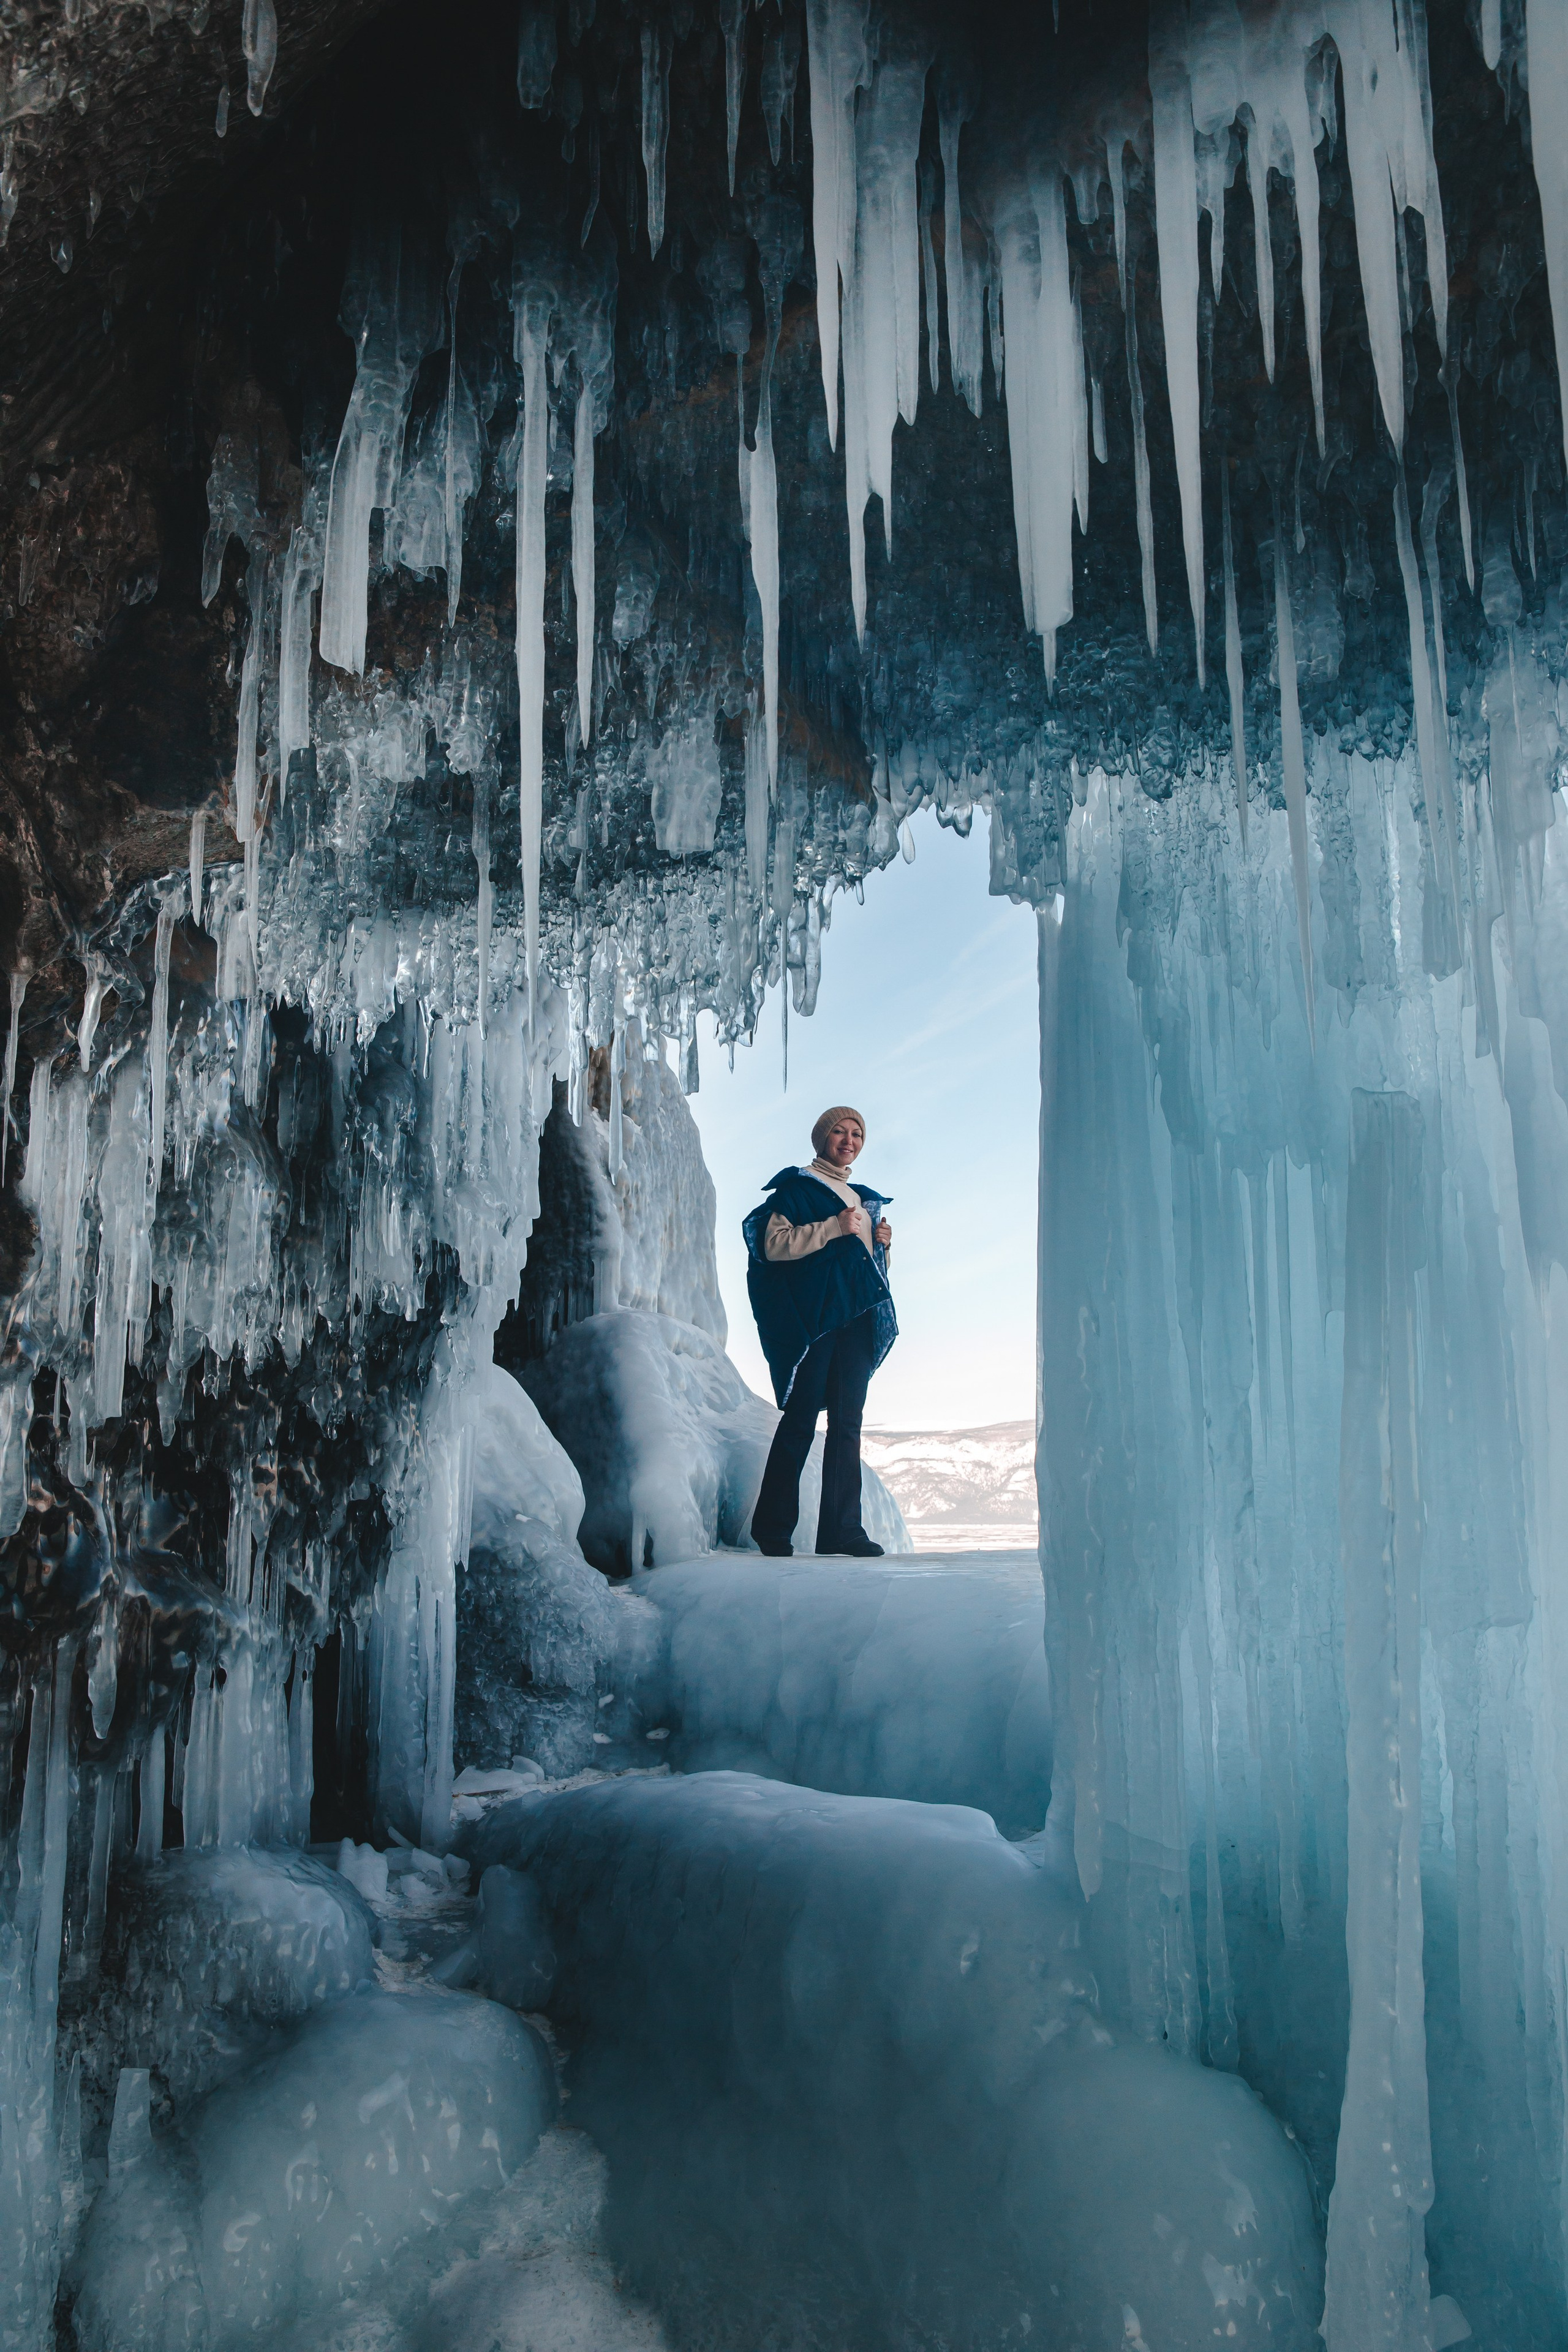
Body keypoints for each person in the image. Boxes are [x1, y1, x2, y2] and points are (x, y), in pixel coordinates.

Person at [742, 1105, 897, 1557]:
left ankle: (842, 1532)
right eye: (840, 1132)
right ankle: (772, 1530)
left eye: (857, 1134)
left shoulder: (865, 1200)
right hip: (815, 1323)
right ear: (822, 1138)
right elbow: (771, 1245)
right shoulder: (798, 1188)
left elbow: (863, 1269)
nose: (849, 1140)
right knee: (801, 1421)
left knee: (848, 1425)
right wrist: (833, 1226)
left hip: (856, 1323)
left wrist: (883, 1246)